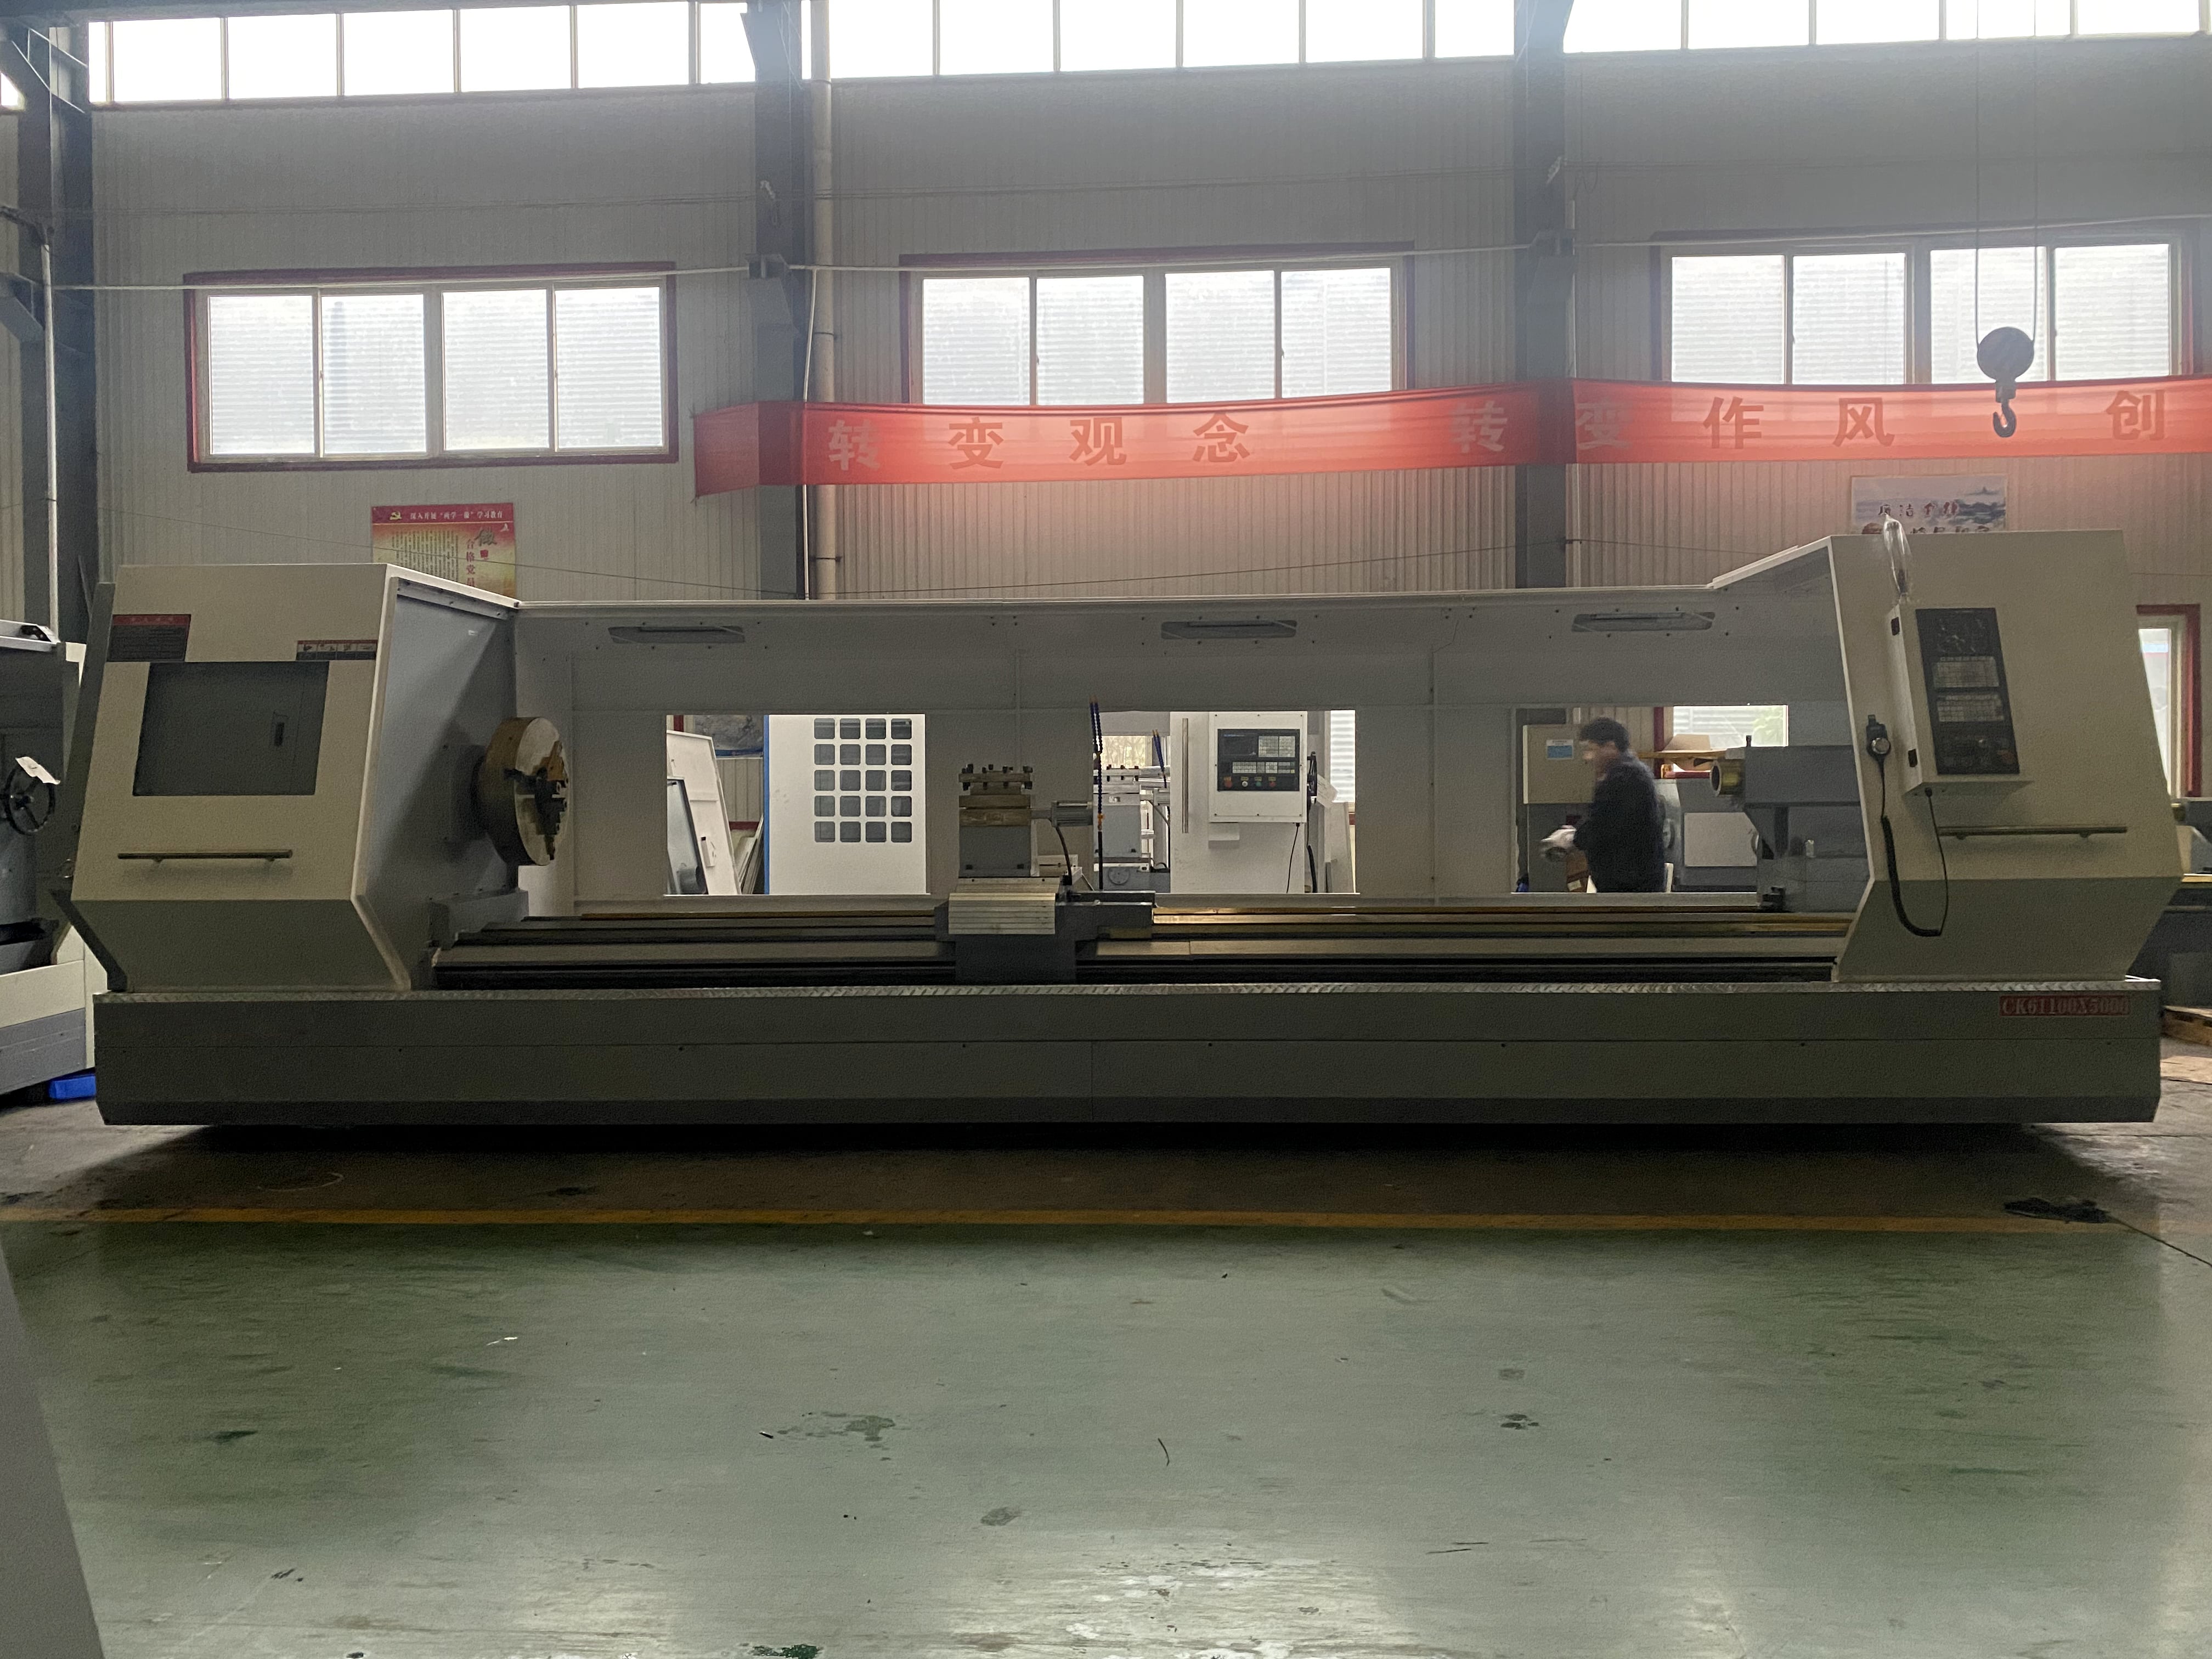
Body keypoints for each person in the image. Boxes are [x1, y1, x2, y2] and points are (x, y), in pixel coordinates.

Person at [1542, 718, 1667, 894]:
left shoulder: (1625, 777)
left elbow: (1604, 825)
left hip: (1629, 885)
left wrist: (1572, 839)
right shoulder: (1630, 773)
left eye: (1591, 749)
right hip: (1629, 882)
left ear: (1611, 746)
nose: (1587, 757)